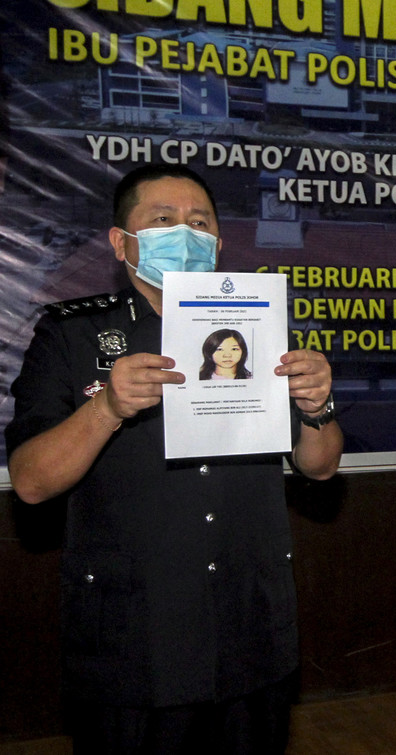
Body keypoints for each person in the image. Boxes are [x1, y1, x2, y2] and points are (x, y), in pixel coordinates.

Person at [5, 163, 344, 753]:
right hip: (137, 636)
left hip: (249, 628)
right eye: (162, 220)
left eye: (199, 222)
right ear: (121, 242)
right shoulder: (72, 336)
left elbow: (319, 466)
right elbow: (31, 482)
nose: (184, 234)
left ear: (217, 240)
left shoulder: (259, 330)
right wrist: (107, 406)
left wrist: (317, 406)